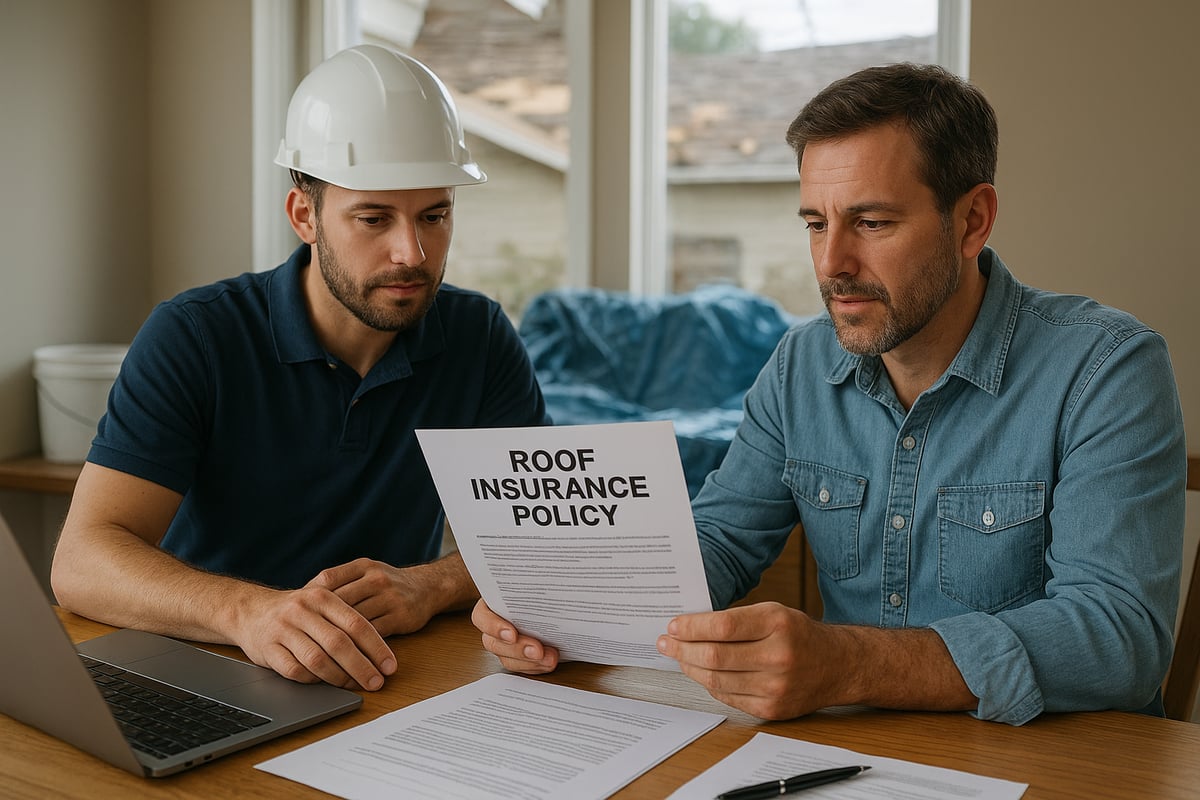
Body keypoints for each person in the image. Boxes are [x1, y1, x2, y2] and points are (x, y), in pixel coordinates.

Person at [471, 62, 1187, 725]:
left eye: (872, 223)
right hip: (853, 758)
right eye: (816, 223)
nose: (832, 263)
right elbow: (719, 539)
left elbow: (1119, 638)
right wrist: (563, 611)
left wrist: (849, 665)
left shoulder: (1107, 369)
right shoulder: (799, 364)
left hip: (1066, 765)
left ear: (972, 220)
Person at [51, 45, 548, 693]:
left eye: (435, 215)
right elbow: (82, 561)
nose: (412, 252)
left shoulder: (481, 336)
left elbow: (540, 542)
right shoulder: (196, 334)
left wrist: (429, 585)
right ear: (304, 216)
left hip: (384, 672)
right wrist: (249, 611)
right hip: (209, 668)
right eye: (374, 218)